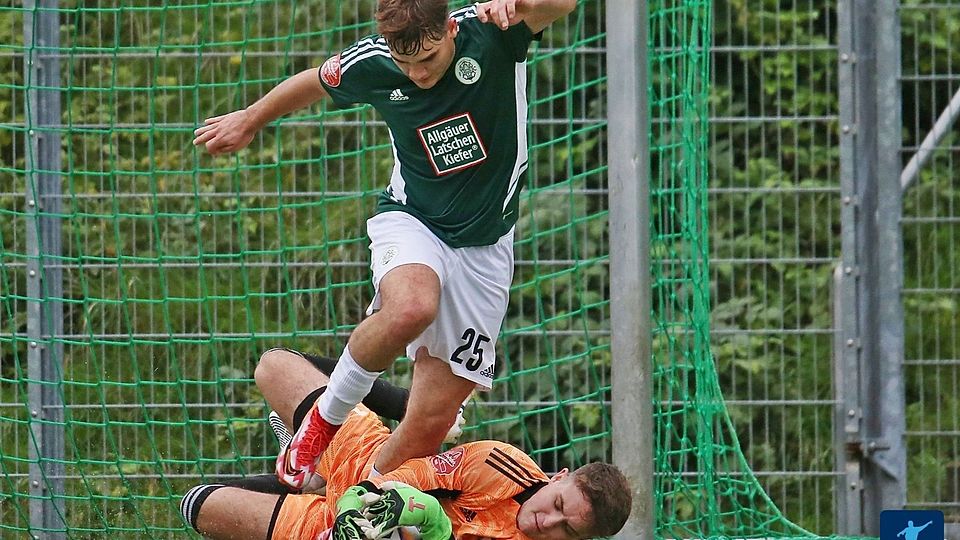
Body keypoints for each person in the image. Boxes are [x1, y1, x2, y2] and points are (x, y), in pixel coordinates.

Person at [193, 0, 578, 488]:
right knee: (411, 307)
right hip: (413, 219)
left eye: (429, 59)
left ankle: (355, 501)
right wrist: (250, 119)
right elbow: (316, 79)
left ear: (449, 30)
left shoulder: (493, 33)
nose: (417, 74)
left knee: (430, 424)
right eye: (406, 62)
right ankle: (319, 426)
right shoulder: (372, 61)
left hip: (485, 248)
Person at [179, 348, 632, 539]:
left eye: (565, 530)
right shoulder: (501, 465)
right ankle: (410, 411)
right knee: (276, 364)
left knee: (196, 505)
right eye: (557, 503)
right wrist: (378, 500)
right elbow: (410, 472)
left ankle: (307, 483)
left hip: (355, 532)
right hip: (370, 478)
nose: (545, 521)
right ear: (559, 477)